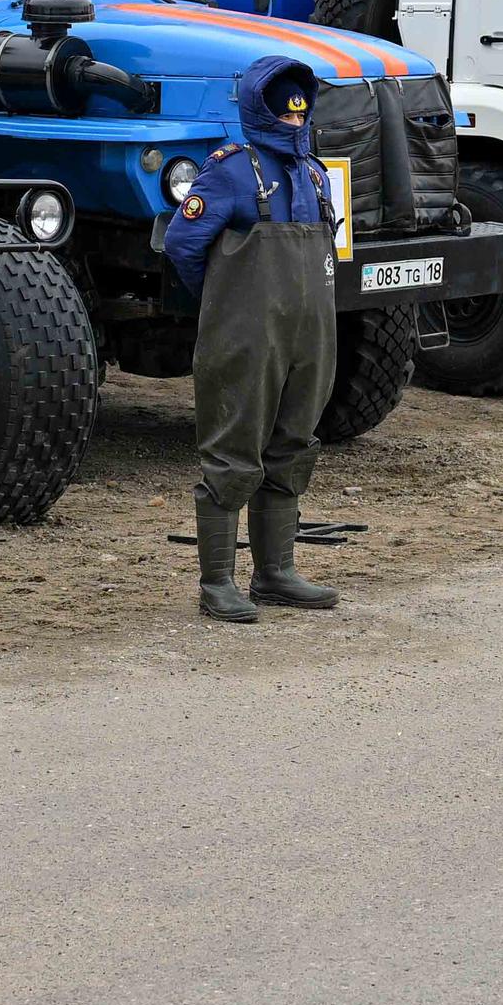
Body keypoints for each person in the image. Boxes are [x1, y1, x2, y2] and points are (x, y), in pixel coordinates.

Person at [163, 54, 343, 620]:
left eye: (300, 114)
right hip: (246, 334)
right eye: (283, 114)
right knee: (233, 447)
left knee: (293, 444)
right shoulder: (230, 171)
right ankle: (217, 581)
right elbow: (183, 245)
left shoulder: (315, 173)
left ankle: (276, 572)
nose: (294, 123)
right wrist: (227, 302)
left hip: (308, 336)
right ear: (258, 110)